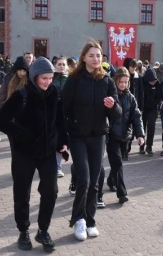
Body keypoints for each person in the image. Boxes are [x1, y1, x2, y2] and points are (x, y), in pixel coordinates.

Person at [0, 57, 69, 252]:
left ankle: (43, 230)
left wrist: (62, 143)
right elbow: (0, 121)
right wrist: (21, 134)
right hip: (24, 153)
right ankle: (23, 230)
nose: (48, 82)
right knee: (22, 193)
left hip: (47, 153)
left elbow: (59, 121)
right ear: (35, 77)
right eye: (44, 78)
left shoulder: (54, 93)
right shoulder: (22, 95)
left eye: (51, 78)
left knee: (50, 191)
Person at [62, 40, 122, 241]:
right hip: (78, 136)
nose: (96, 59)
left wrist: (112, 106)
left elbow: (118, 113)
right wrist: (67, 134)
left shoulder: (107, 80)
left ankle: (90, 220)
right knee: (84, 180)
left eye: (98, 55)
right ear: (84, 58)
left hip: (98, 136)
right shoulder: (74, 79)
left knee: (96, 181)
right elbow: (64, 110)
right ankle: (78, 219)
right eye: (92, 55)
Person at [104, 67, 145, 203]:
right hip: (111, 136)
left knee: (117, 163)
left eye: (126, 82)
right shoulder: (110, 96)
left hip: (125, 136)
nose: (123, 84)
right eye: (121, 82)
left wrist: (140, 135)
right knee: (117, 163)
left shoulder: (130, 97)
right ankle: (122, 193)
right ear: (115, 81)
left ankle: (110, 180)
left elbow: (136, 116)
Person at [52, 56, 68, 178]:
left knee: (63, 140)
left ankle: (58, 166)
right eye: (59, 64)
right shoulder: (51, 79)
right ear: (55, 65)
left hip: (66, 113)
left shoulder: (70, 79)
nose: (62, 66)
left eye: (63, 64)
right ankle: (55, 166)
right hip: (53, 112)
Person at [140, 67, 162, 156]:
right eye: (151, 80)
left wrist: (156, 104)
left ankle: (149, 146)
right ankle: (141, 145)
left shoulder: (157, 84)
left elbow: (159, 96)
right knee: (142, 127)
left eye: (154, 80)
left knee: (151, 126)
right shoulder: (142, 83)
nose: (153, 82)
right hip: (143, 109)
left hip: (153, 109)